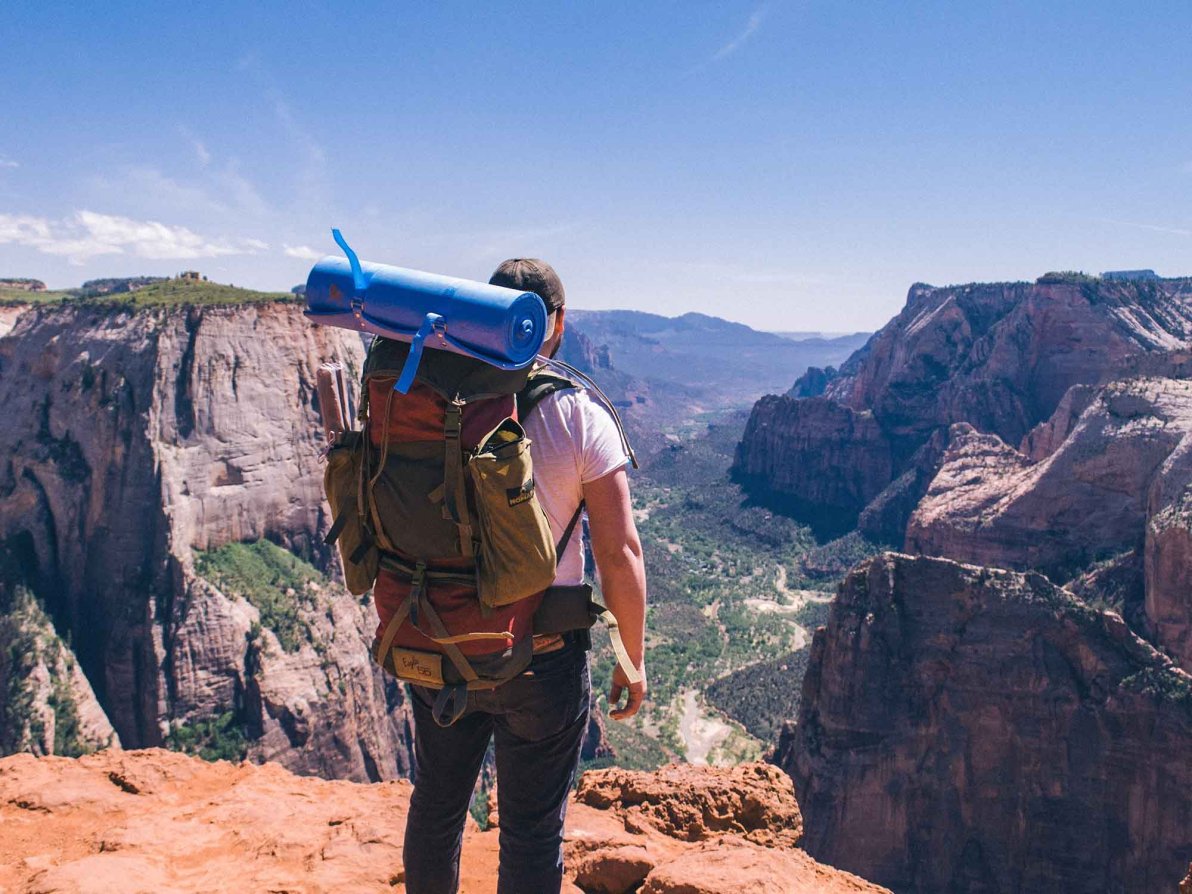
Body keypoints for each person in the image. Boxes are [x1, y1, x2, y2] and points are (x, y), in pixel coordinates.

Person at [401, 258, 648, 894]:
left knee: (435, 811)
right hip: (541, 660)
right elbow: (620, 552)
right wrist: (632, 658)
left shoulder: (426, 398)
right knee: (533, 833)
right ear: (555, 325)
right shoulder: (579, 416)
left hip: (439, 639)